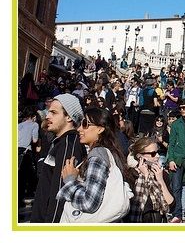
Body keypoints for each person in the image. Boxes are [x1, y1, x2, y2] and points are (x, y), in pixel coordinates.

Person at [56, 107, 133, 222]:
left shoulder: (98, 154)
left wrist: (70, 180)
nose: (79, 128)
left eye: (85, 124)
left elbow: (89, 202)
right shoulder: (112, 153)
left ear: (100, 129)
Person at [30, 94, 87, 223]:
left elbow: (61, 193)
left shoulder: (69, 144)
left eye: (53, 113)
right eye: (48, 111)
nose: (48, 116)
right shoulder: (60, 142)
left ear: (68, 117)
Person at [127, 137, 174, 222]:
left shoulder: (161, 173)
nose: (157, 156)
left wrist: (161, 180)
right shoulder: (131, 175)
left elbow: (171, 205)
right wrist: (145, 176)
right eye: (153, 153)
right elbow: (132, 205)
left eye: (158, 152)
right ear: (139, 156)